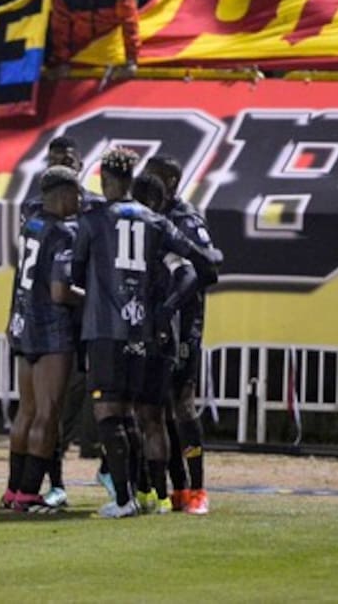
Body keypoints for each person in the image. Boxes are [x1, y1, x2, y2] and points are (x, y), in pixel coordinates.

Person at [71, 147, 221, 518]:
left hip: (113, 329)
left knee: (114, 412)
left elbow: (75, 275)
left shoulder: (93, 220)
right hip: (147, 331)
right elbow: (205, 267)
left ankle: (131, 498)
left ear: (105, 179)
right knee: (146, 414)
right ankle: (156, 496)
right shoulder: (156, 223)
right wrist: (164, 308)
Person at [142, 153, 220, 515]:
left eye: (155, 175)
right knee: (157, 409)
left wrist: (172, 303)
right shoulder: (144, 214)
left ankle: (199, 489)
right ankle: (178, 488)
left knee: (182, 404)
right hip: (153, 326)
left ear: (172, 181)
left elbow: (208, 267)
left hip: (183, 327)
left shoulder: (185, 219)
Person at [1, 166, 82, 512]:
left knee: (27, 411)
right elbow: (60, 291)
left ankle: (13, 490)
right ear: (63, 195)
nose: (79, 201)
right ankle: (30, 493)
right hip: (51, 329)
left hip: (23, 323)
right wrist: (94, 297)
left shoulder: (31, 222)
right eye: (77, 194)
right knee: (48, 414)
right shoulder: (63, 234)